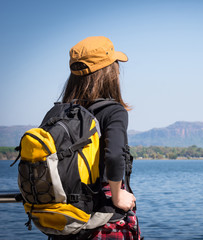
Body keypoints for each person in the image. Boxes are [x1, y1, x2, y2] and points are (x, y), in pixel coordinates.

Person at [60, 36, 138, 239]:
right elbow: (113, 157)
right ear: (108, 73)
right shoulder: (113, 111)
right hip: (103, 216)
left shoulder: (62, 112)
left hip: (67, 217)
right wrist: (117, 195)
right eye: (116, 66)